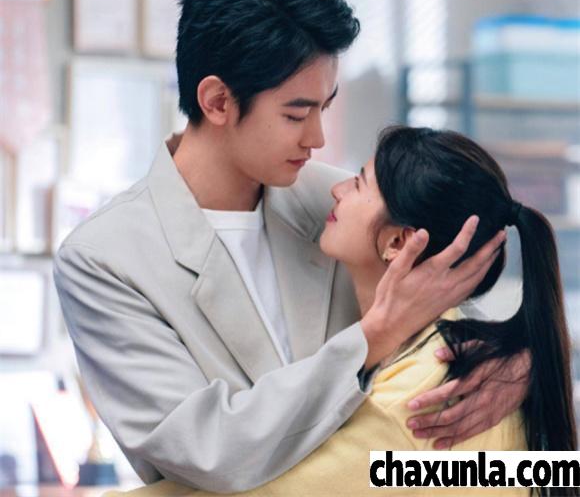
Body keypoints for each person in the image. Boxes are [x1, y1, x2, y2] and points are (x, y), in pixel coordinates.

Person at [53, 0, 526, 493]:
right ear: (217, 101)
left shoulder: (342, 204)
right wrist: (372, 338)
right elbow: (209, 451)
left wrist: (520, 362)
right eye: (296, 114)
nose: (317, 137)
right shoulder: (104, 259)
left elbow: (445, 313)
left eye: (324, 107)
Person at [104, 126, 576, 497]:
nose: (335, 190)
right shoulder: (480, 361)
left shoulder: (411, 405)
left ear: (398, 242)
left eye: (358, 183)